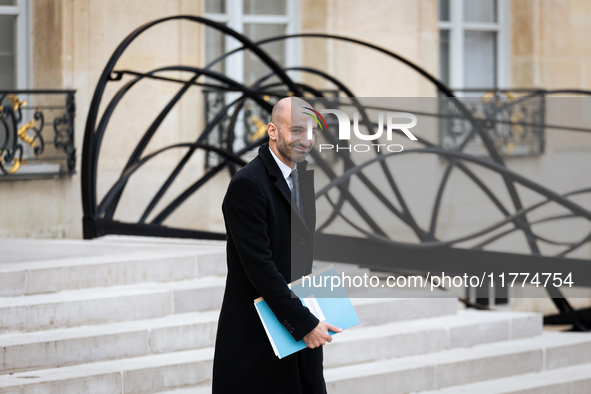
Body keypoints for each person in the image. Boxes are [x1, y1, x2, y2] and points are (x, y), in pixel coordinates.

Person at [212, 97, 342, 393]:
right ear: (272, 131)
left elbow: (299, 257)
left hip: (296, 329)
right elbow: (260, 267)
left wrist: (321, 307)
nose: (305, 139)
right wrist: (305, 322)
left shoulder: (301, 179)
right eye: (296, 130)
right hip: (258, 340)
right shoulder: (247, 184)